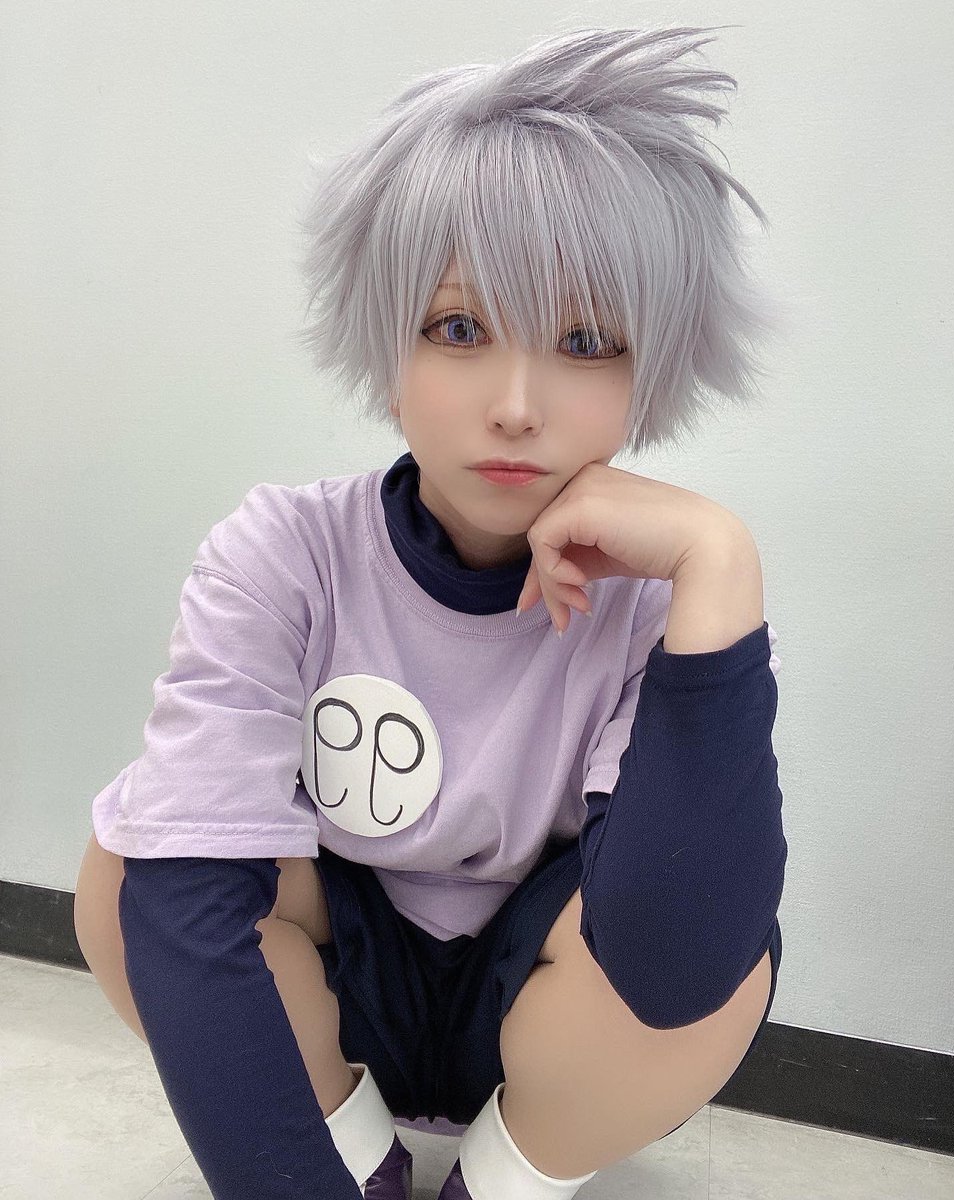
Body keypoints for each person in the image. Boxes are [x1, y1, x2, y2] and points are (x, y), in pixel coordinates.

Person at [74, 24, 789, 1200]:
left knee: (733, 951)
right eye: (458, 328)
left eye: (584, 340)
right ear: (386, 342)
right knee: (131, 859)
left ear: (646, 366)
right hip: (338, 987)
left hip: (538, 1013)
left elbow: (679, 966)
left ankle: (502, 1178)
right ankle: (354, 1154)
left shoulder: (655, 603)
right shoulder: (285, 553)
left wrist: (719, 560)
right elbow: (185, 893)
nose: (515, 405)